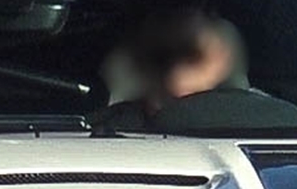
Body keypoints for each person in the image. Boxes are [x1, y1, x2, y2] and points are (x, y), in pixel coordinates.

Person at [92, 7, 240, 130]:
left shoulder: (251, 121)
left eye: (191, 55)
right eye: (163, 55)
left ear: (221, 61)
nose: (175, 72)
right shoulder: (98, 131)